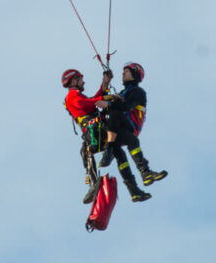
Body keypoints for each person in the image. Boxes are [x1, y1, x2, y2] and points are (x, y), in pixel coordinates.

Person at [62, 68, 151, 205]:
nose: (83, 81)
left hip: (99, 131)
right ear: (73, 81)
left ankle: (134, 191)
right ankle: (94, 183)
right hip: (95, 132)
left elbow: (92, 100)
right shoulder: (72, 96)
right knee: (89, 151)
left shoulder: (78, 95)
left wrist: (105, 82)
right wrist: (104, 98)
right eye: (80, 78)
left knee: (116, 151)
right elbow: (87, 103)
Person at [99, 62, 167, 186]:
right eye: (123, 71)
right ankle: (144, 175)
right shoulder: (123, 93)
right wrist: (106, 82)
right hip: (116, 129)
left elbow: (126, 106)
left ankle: (109, 150)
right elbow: (103, 100)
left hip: (129, 127)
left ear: (135, 75)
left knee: (114, 113)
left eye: (127, 71)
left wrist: (110, 104)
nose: (123, 73)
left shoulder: (138, 92)